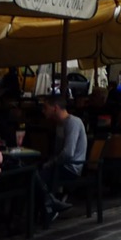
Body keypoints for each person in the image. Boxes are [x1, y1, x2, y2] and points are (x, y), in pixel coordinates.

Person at [36, 94, 87, 224]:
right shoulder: (60, 124)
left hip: (71, 167)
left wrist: (51, 163)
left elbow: (68, 153)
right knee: (34, 174)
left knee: (38, 176)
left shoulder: (73, 122)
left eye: (45, 107)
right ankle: (49, 203)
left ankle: (47, 208)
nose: (43, 111)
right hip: (61, 165)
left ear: (55, 108)